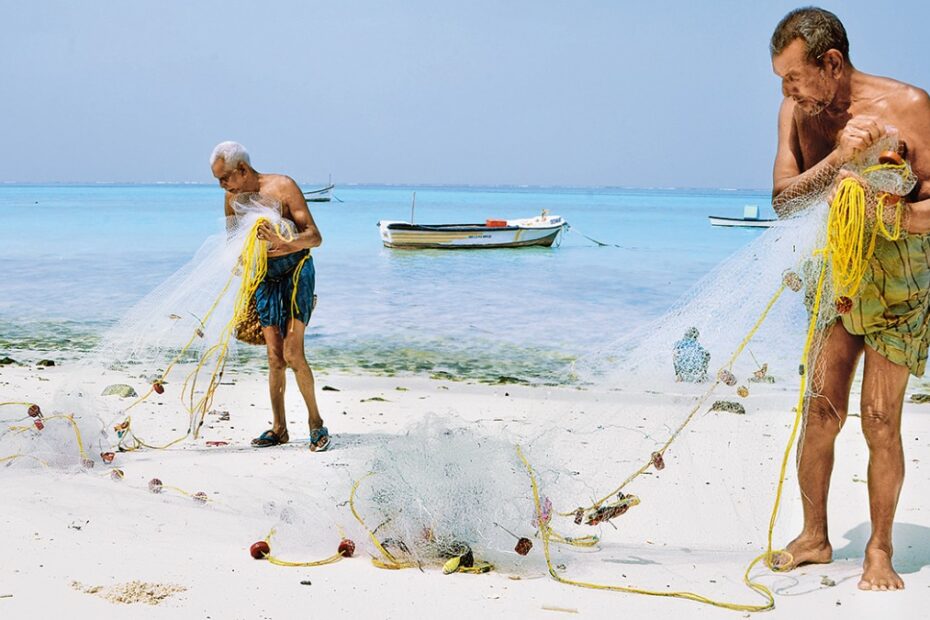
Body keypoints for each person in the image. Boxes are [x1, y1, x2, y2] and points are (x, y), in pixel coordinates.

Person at [769, 7, 930, 591]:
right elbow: (785, 200)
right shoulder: (798, 112)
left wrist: (894, 212)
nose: (787, 90)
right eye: (781, 80)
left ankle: (880, 551)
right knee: (820, 412)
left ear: (831, 63)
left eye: (794, 76)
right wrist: (840, 160)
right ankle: (814, 535)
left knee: (881, 420)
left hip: (900, 283)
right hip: (835, 277)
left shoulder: (910, 106)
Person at [210, 141, 330, 452]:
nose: (222, 185)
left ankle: (316, 424)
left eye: (225, 178)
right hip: (264, 277)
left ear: (243, 170)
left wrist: (282, 241)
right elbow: (232, 241)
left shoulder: (283, 186)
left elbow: (314, 237)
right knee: (275, 357)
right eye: (218, 180)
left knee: (293, 354)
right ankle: (279, 429)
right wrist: (240, 263)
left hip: (296, 272)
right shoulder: (231, 200)